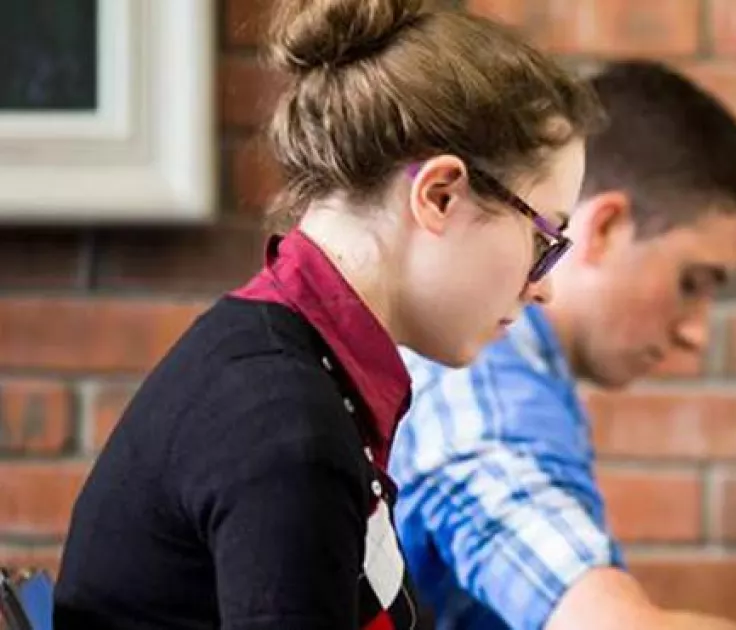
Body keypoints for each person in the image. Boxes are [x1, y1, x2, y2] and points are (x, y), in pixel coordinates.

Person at [52, 0, 603, 627]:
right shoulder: (285, 426)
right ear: (439, 196)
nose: (544, 289)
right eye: (544, 238)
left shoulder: (288, 368)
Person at [389, 61, 736, 630]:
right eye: (691, 284)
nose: (696, 333)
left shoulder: (529, 378)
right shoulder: (482, 386)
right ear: (603, 227)